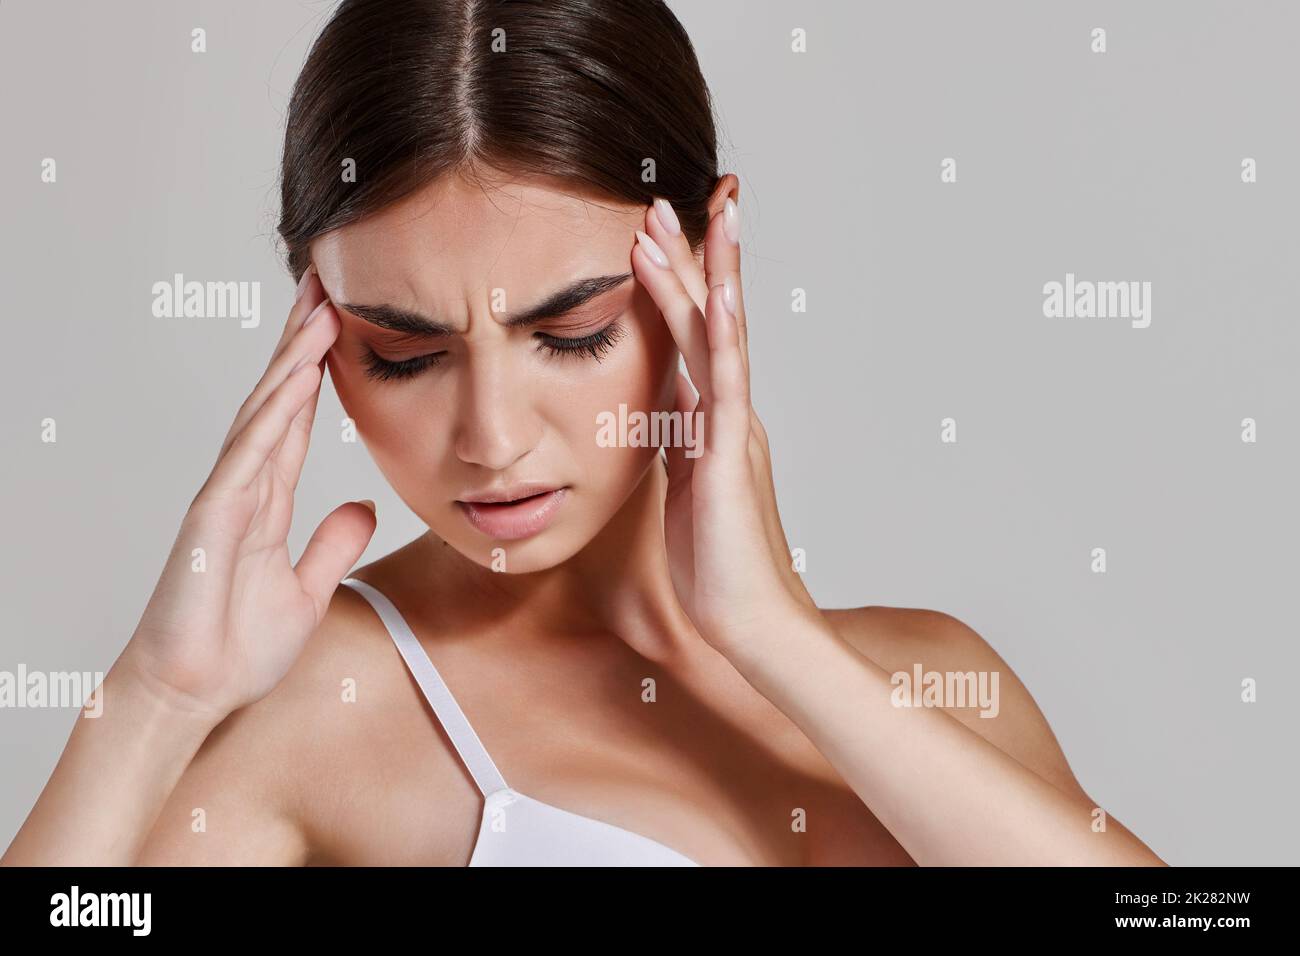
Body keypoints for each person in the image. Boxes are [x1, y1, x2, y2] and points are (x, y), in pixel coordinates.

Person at [2, 0, 1164, 867]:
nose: (491, 438)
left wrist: (774, 639)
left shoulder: (939, 676)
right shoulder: (324, 710)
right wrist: (154, 701)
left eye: (570, 332)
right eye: (404, 355)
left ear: (707, 262)